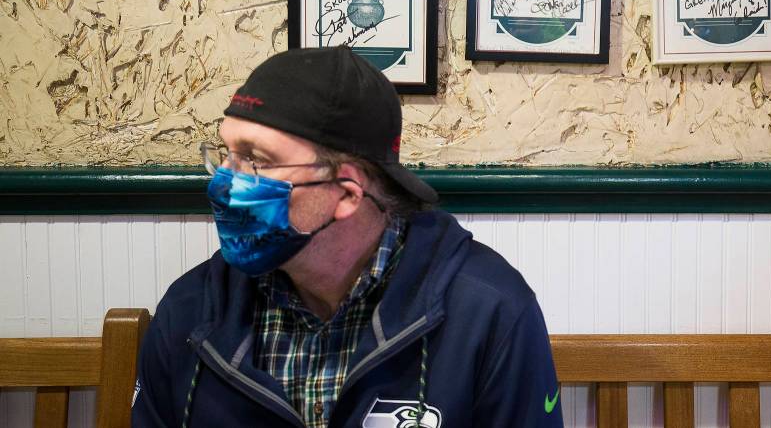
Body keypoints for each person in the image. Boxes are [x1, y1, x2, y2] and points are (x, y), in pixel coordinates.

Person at [132, 46, 563, 428]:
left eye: (256, 161)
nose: (223, 183)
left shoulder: (490, 312)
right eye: (225, 155)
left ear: (345, 193)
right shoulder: (190, 310)